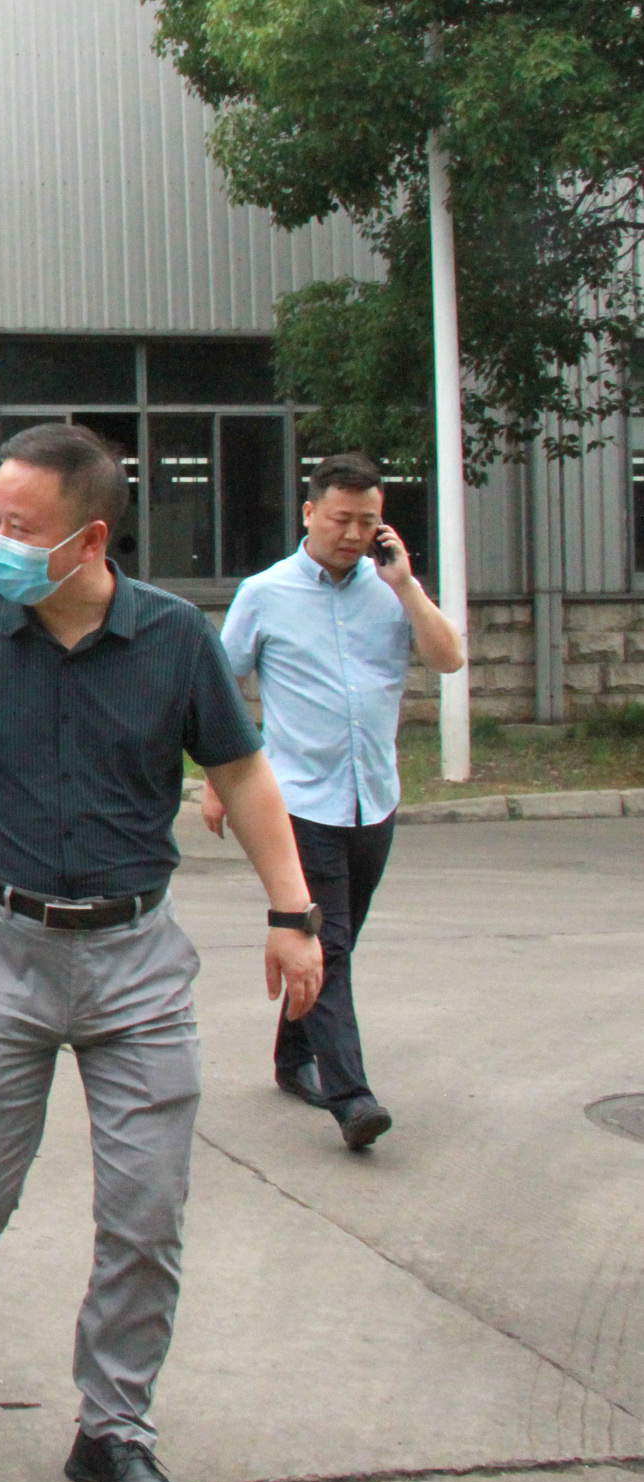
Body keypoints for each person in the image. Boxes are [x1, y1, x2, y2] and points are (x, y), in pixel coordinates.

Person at [0, 422, 325, 1482]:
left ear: (88, 540)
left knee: (146, 1210)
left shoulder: (173, 639)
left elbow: (243, 774)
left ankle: (113, 1426)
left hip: (138, 963)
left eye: (19, 525)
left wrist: (293, 910)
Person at [214, 452, 465, 1152]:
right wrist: (221, 782)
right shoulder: (265, 593)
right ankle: (351, 1097)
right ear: (309, 513)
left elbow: (449, 658)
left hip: (373, 799)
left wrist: (407, 586)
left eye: (368, 521)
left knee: (332, 943)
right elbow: (220, 686)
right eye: (340, 519)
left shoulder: (391, 592)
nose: (353, 534)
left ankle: (292, 1057)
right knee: (329, 944)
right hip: (299, 802)